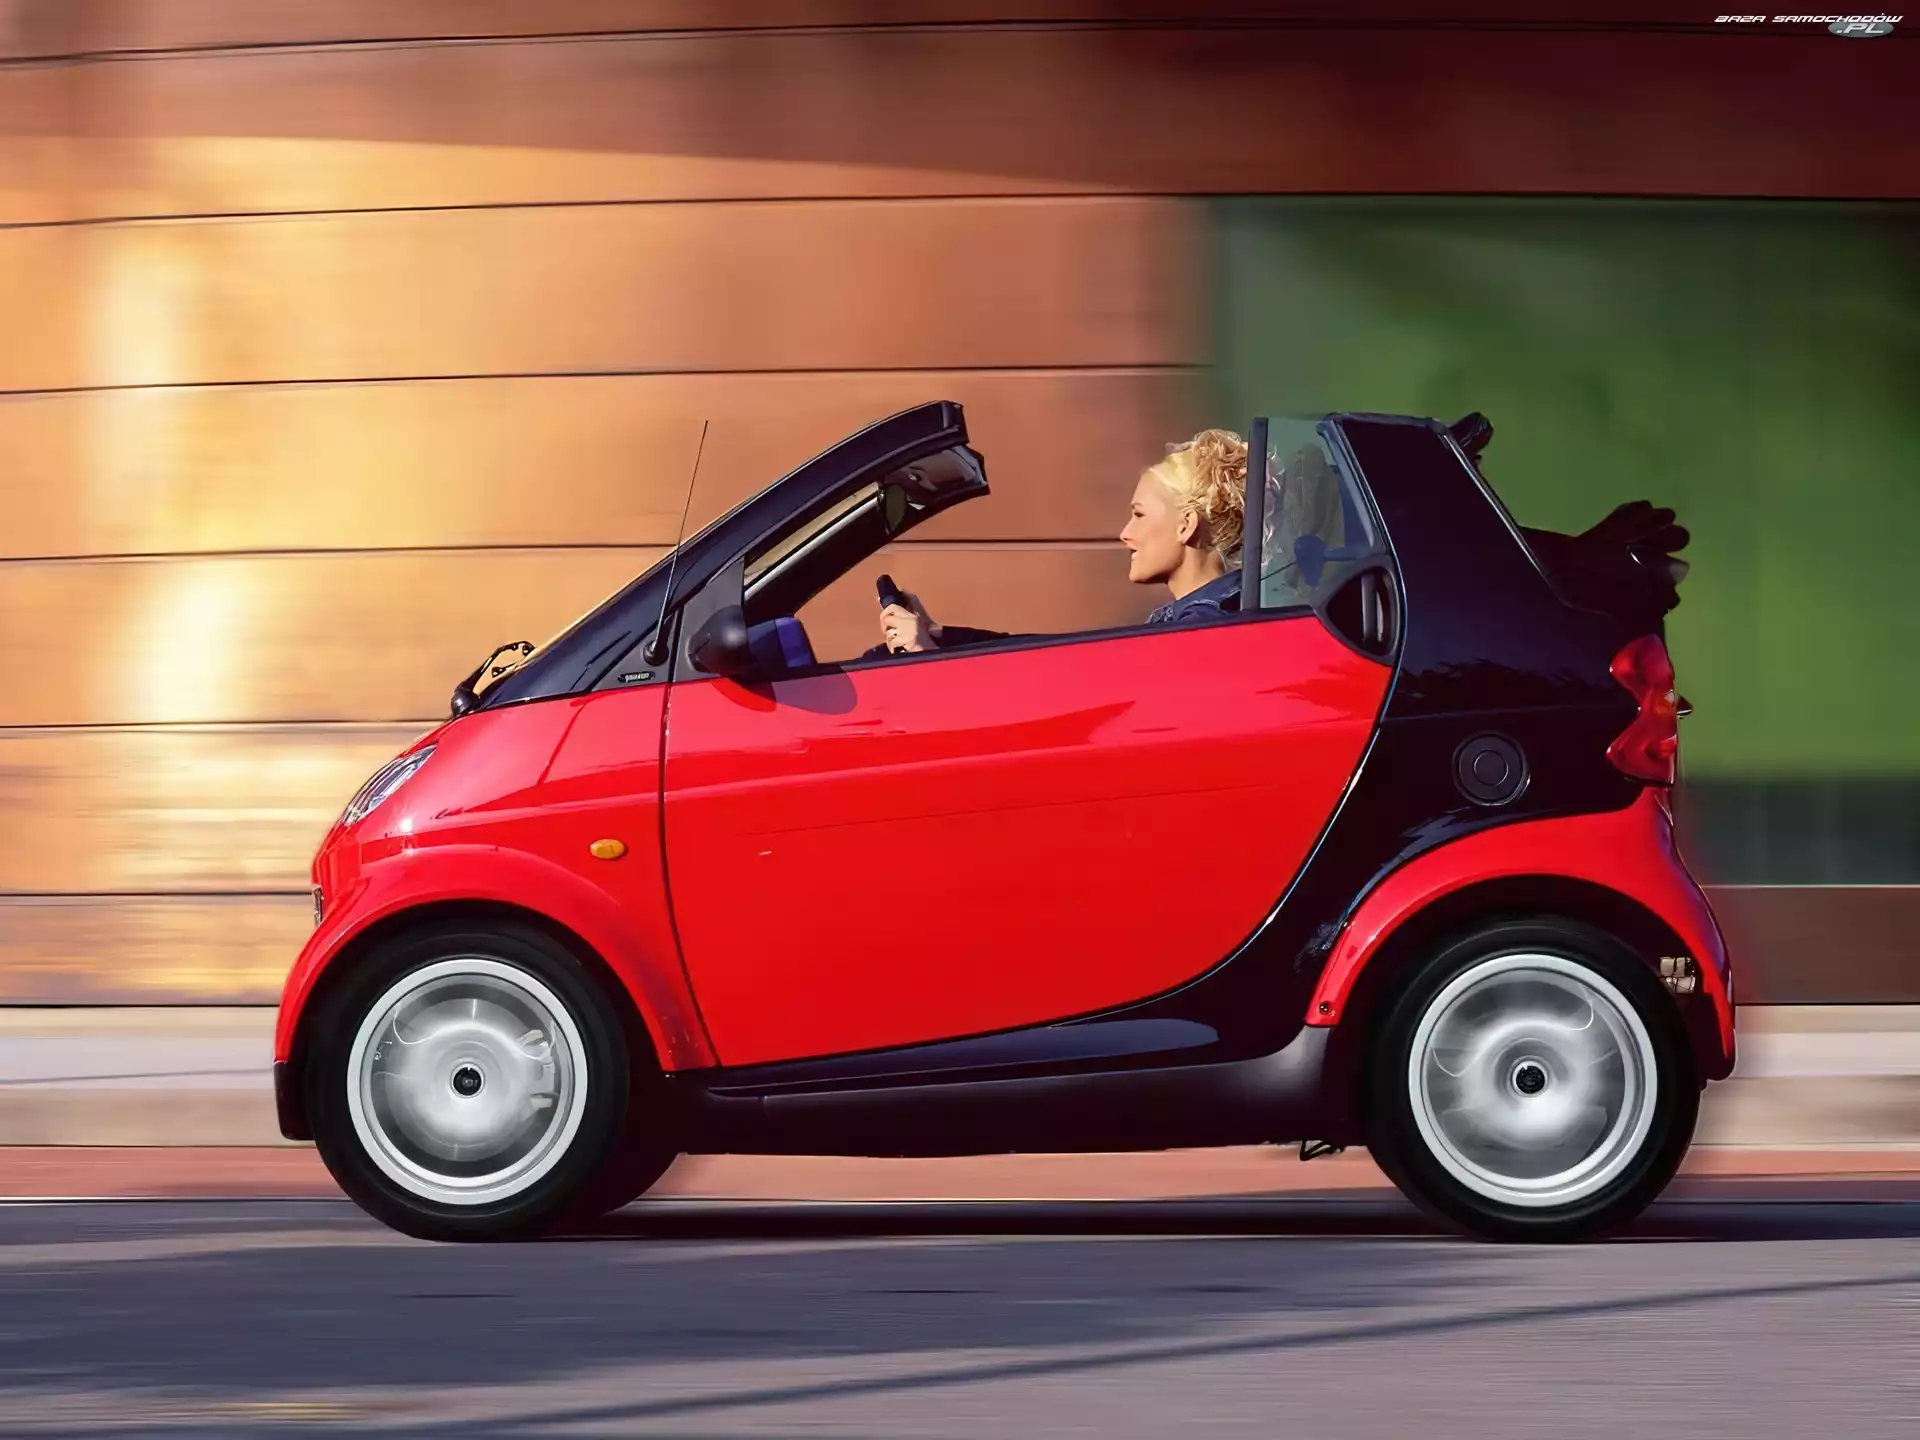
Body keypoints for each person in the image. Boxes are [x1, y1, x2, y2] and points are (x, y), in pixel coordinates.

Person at [872, 428, 1249, 656]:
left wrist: (925, 656)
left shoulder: (1197, 636)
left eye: (1139, 515)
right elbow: (1063, 655)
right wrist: (942, 639)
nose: (1125, 533)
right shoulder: (1204, 620)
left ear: (1185, 526)